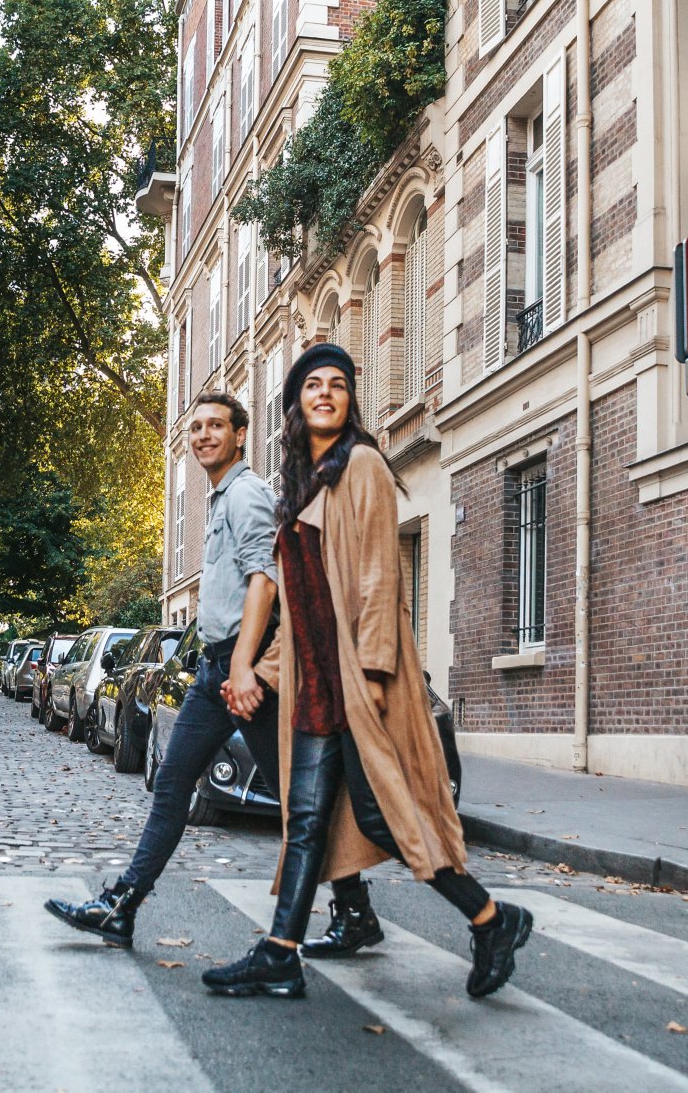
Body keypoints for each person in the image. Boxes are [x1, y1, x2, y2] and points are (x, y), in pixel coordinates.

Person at [201, 344, 531, 1002]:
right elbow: (299, 609)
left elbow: (382, 578)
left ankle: (494, 919)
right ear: (296, 404)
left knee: (386, 818)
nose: (326, 393)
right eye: (312, 385)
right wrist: (266, 671)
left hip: (359, 682)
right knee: (307, 819)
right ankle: (281, 954)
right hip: (316, 687)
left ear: (350, 401)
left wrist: (378, 675)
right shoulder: (304, 484)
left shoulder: (365, 466)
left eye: (339, 385)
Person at [45, 390, 380, 951]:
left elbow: (264, 580)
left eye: (216, 426)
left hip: (245, 671)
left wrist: (245, 667)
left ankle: (356, 912)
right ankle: (123, 906)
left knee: (298, 800)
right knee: (175, 780)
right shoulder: (221, 498)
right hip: (215, 667)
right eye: (195, 427)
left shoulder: (247, 496)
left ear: (240, 434)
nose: (202, 435)